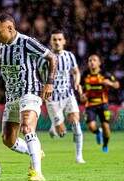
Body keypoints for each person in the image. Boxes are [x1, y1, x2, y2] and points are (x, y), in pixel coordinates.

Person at [0, 14, 57, 181]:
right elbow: (2, 60)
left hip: (30, 91)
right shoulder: (3, 44)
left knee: (27, 128)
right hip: (12, 95)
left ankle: (37, 173)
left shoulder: (27, 42)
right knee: (8, 140)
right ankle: (35, 152)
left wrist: (49, 83)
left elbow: (51, 57)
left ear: (10, 28)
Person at [38, 30, 85, 163]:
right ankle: (55, 128)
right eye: (55, 40)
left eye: (59, 39)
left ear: (64, 41)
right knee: (62, 133)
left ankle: (79, 156)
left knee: (76, 122)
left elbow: (76, 72)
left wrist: (77, 82)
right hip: (52, 98)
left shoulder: (69, 56)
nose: (57, 42)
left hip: (68, 94)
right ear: (51, 42)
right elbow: (38, 75)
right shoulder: (45, 58)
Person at [80, 54, 120, 153]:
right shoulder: (85, 74)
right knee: (91, 126)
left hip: (103, 104)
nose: (92, 62)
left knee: (106, 126)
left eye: (94, 60)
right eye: (90, 60)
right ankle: (98, 132)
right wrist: (82, 95)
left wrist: (110, 83)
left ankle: (105, 145)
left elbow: (117, 85)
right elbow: (80, 86)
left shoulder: (105, 74)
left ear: (99, 63)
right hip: (90, 105)